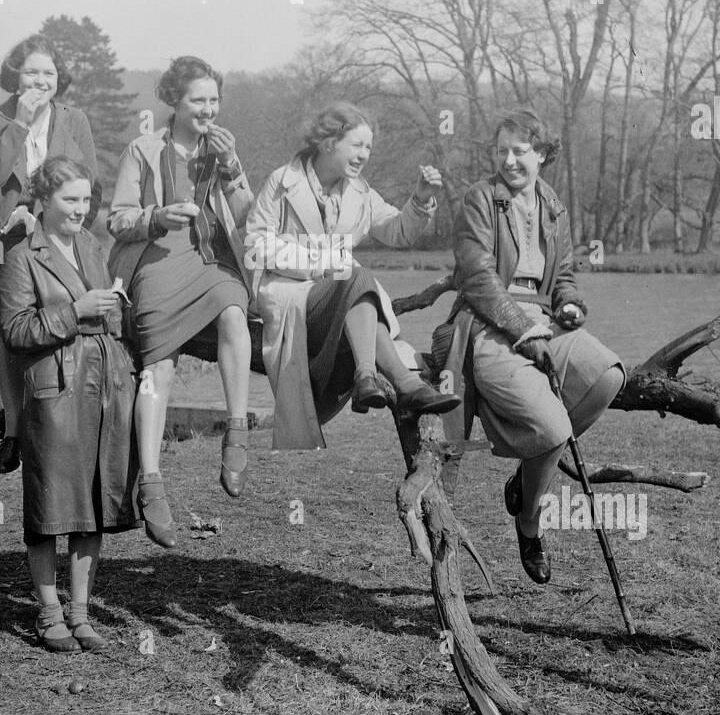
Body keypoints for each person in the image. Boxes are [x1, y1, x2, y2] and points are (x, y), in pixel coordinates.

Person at [434, 110, 626, 584]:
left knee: (608, 375)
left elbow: (562, 275)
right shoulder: (480, 199)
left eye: (520, 151)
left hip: (544, 321)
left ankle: (525, 478)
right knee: (551, 425)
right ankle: (530, 523)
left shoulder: (552, 203)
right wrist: (525, 331)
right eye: (502, 151)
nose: (510, 160)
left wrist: (571, 305)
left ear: (542, 154)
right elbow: (478, 279)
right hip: (488, 324)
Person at [245, 102, 459, 451]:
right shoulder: (281, 183)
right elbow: (256, 247)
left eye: (369, 148)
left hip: (340, 295)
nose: (364, 155)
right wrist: (321, 264)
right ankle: (397, 381)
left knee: (355, 278)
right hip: (291, 295)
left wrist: (420, 200)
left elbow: (397, 233)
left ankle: (371, 378)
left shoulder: (359, 191)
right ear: (329, 142)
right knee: (355, 275)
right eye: (357, 145)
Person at [107, 56, 255, 549]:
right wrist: (156, 215)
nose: (208, 109)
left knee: (235, 309)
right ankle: (150, 482)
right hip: (155, 263)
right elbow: (118, 219)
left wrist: (233, 169)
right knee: (160, 368)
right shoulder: (143, 149)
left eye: (215, 100)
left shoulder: (222, 150)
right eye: (198, 100)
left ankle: (237, 431)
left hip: (209, 260)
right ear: (176, 100)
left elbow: (250, 216)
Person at [0, 157, 138, 652]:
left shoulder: (93, 247)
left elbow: (106, 313)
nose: (81, 209)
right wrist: (74, 311)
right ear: (43, 200)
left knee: (93, 502)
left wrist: (114, 315)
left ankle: (81, 613)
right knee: (50, 504)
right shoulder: (21, 256)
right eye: (70, 200)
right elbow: (15, 332)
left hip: (103, 385)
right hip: (53, 389)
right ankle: (48, 613)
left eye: (86, 199)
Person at [0, 34, 99, 473]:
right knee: (0, 307)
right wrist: (21, 122)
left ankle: (55, 408)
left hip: (62, 232)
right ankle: (14, 426)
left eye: (48, 73)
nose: (40, 80)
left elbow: (91, 186)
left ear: (59, 78)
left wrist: (50, 223)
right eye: (31, 72)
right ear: (15, 76)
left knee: (68, 304)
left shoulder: (76, 121)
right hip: (4, 232)